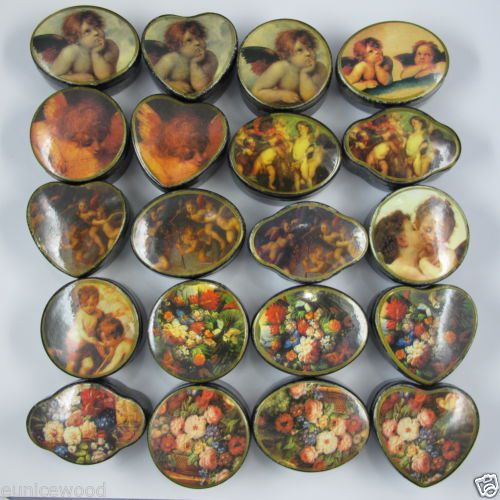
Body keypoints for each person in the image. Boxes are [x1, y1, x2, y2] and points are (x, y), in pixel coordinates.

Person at [251, 29, 328, 105]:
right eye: (300, 50)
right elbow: (256, 92)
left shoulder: (320, 68)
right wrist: (280, 95)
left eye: (310, 47)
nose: (308, 53)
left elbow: (310, 98)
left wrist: (305, 74)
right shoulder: (280, 68)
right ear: (287, 55)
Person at [51, 10, 119, 82]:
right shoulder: (71, 52)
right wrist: (74, 78)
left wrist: (96, 54)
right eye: (87, 31)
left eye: (97, 27)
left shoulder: (110, 45)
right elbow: (54, 76)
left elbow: (106, 77)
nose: (96, 32)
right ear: (76, 38)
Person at [154, 20, 218, 94]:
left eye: (199, 37)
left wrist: (194, 63)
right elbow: (156, 78)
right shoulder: (170, 59)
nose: (197, 43)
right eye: (189, 40)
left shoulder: (209, 57)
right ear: (177, 46)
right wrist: (171, 85)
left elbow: (201, 87)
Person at [373, 210, 426, 281]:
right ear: (402, 240)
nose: (420, 232)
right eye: (413, 229)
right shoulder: (408, 272)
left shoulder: (393, 268)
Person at [414, 196, 458, 279]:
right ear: (417, 226)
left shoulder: (448, 254)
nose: (433, 238)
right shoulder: (415, 252)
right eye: (428, 229)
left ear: (447, 237)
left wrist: (424, 263)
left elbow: (441, 277)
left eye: (440, 233)